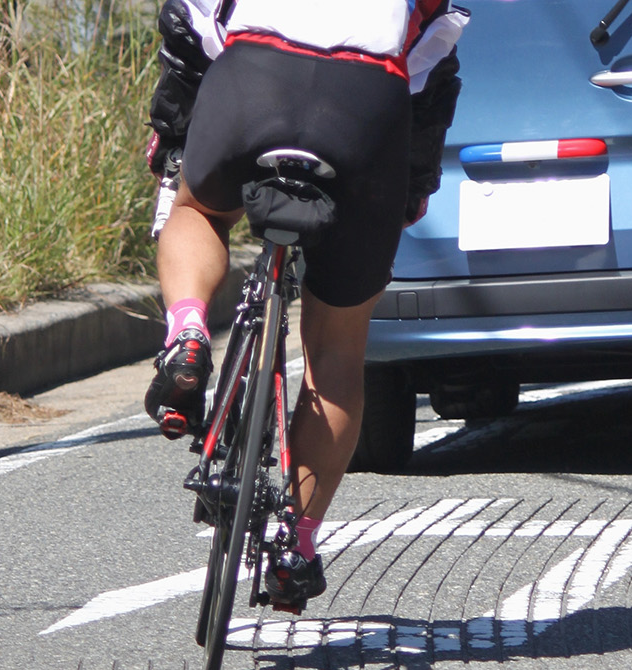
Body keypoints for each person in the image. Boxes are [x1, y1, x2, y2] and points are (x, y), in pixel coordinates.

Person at [142, 0, 468, 611]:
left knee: (198, 210)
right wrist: (407, 193)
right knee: (337, 351)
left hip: (255, 75)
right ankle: (297, 542)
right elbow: (435, 58)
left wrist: (173, 141)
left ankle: (187, 335)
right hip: (366, 104)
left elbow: (188, 21)